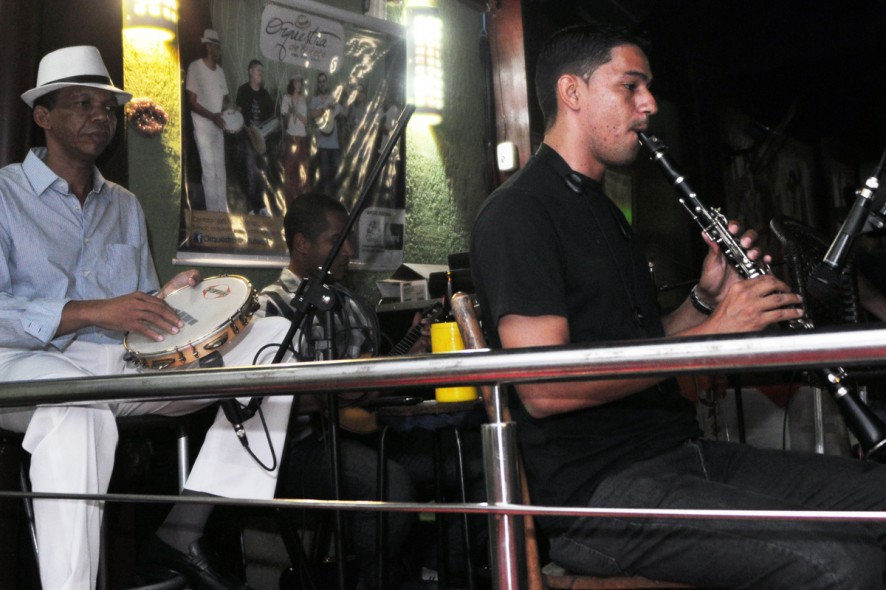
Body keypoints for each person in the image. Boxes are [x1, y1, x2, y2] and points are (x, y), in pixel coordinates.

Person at [470, 24, 886, 589]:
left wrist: (704, 301)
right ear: (572, 92)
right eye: (630, 86)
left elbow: (636, 347)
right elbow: (545, 389)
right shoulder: (519, 213)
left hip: (681, 454)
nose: (650, 104)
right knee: (844, 566)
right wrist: (717, 332)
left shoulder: (603, 209)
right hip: (600, 494)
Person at [0, 46, 294, 590]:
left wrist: (167, 301)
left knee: (273, 338)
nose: (100, 117)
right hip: (22, 364)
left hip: (118, 362)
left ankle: (183, 530)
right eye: (82, 104)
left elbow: (132, 314)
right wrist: (92, 311)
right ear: (43, 116)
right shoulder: (4, 194)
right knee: (78, 407)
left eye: (107, 108)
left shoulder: (125, 204)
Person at [186, 29, 231, 213]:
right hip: (203, 127)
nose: (218, 50)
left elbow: (225, 99)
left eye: (219, 47)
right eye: (216, 47)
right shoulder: (195, 67)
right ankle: (213, 214)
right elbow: (191, 101)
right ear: (208, 47)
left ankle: (223, 212)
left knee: (221, 171)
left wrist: (229, 111)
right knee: (209, 170)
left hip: (218, 127)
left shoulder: (220, 72)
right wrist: (213, 116)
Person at [235, 59, 275, 216]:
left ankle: (262, 205)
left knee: (261, 172)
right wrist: (246, 129)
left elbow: (271, 118)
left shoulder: (265, 94)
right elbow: (238, 113)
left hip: (262, 139)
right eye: (259, 70)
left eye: (262, 71)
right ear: (251, 71)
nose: (261, 74)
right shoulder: (243, 90)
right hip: (247, 137)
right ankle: (251, 207)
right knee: (250, 171)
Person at [309, 72, 343, 196]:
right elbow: (312, 114)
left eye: (324, 81)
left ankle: (335, 200)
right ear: (318, 84)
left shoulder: (333, 98)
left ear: (327, 83)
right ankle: (326, 201)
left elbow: (342, 112)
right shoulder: (315, 100)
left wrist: (335, 108)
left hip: (334, 144)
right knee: (325, 175)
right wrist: (324, 109)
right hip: (322, 144)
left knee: (336, 175)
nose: (322, 84)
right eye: (320, 81)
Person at [280, 73, 310, 207]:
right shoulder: (286, 98)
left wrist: (296, 112)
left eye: (300, 81)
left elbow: (305, 121)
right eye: (296, 81)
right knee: (290, 171)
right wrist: (290, 112)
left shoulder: (303, 98)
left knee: (303, 171)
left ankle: (303, 203)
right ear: (292, 83)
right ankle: (289, 204)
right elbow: (286, 122)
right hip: (291, 138)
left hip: (302, 138)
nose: (299, 83)